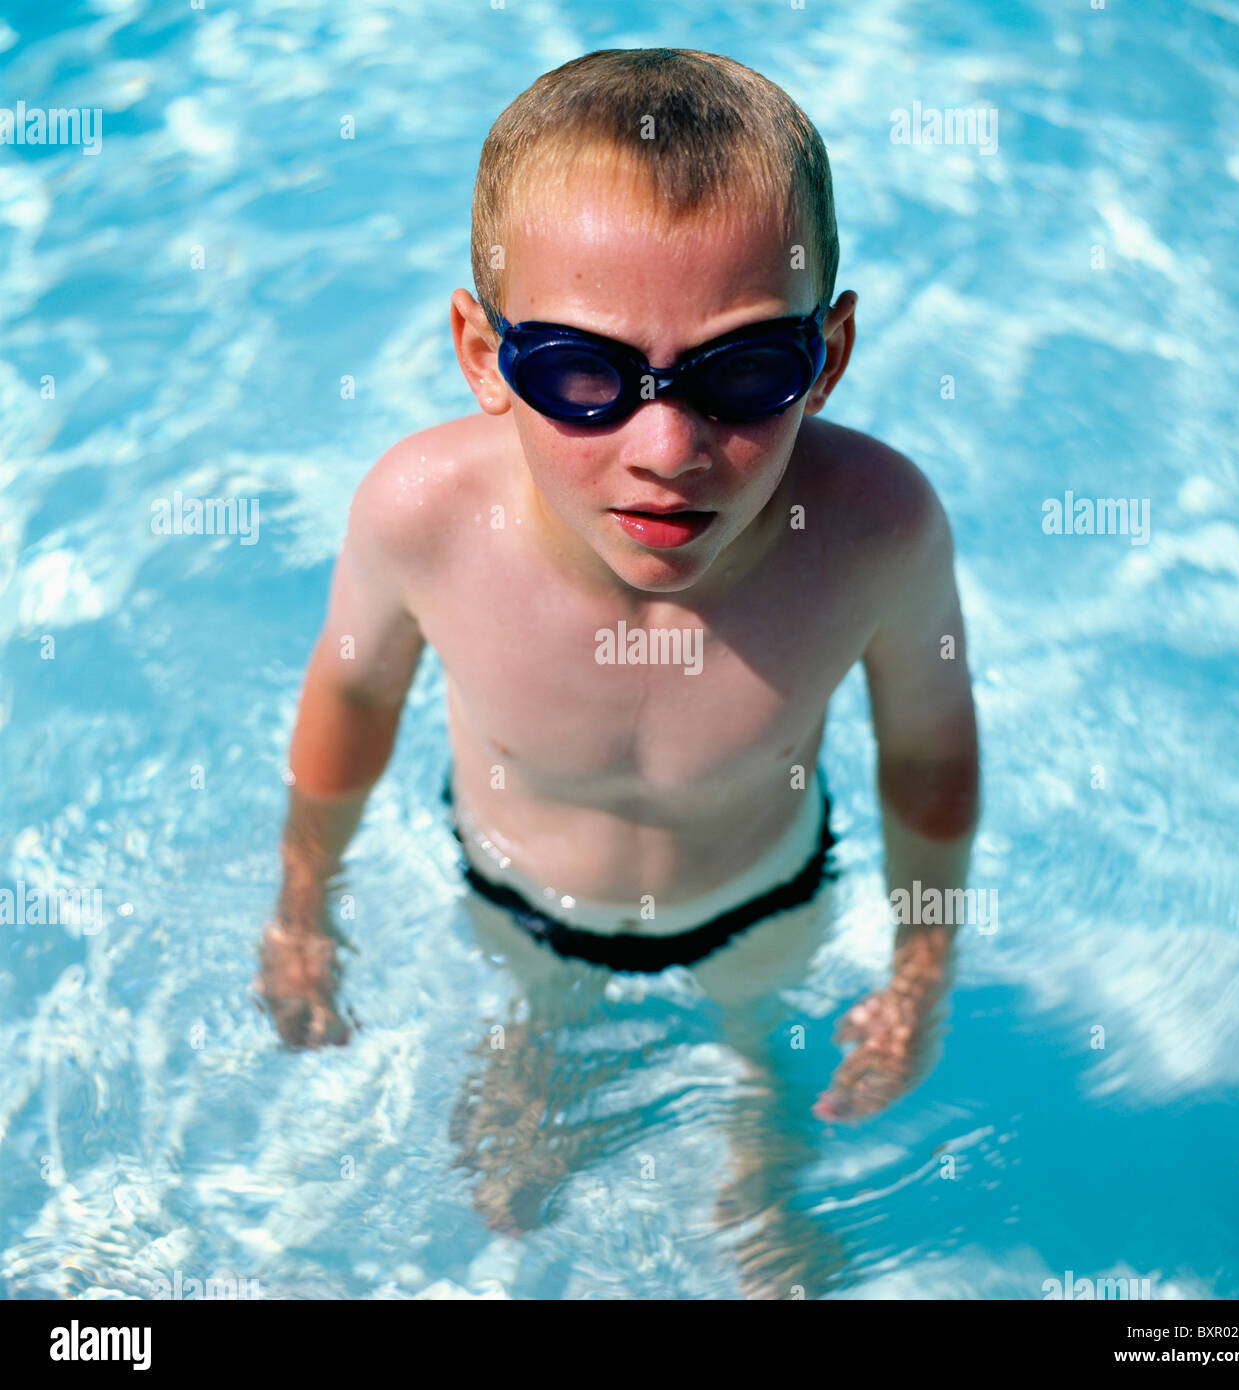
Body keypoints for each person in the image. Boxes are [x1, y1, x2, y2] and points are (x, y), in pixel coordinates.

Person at [255, 48, 980, 1285]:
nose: (669, 448)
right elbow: (355, 695)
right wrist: (300, 904)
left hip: (767, 902)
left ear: (832, 351)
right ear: (483, 353)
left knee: (768, 1099)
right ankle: (549, 1056)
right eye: (584, 373)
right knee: (508, 1191)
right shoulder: (422, 515)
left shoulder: (873, 526)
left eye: (746, 373)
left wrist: (923, 970)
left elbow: (927, 754)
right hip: (521, 910)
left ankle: (759, 1135)